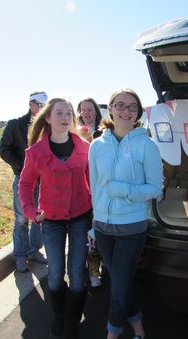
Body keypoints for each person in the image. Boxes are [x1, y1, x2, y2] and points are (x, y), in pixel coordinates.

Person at [88, 88, 163, 339]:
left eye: (132, 107)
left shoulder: (147, 145)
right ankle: (140, 331)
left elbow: (155, 188)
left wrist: (123, 190)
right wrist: (93, 221)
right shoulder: (97, 145)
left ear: (139, 112)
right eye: (120, 105)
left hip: (131, 227)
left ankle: (112, 334)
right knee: (122, 284)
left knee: (118, 286)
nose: (126, 111)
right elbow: (95, 185)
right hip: (102, 228)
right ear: (109, 109)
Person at [19, 97, 92, 339]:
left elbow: (93, 181)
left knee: (78, 275)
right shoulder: (36, 152)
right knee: (55, 273)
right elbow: (26, 184)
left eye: (68, 113)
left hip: (81, 216)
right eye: (58, 113)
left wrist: (98, 213)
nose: (64, 117)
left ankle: (72, 321)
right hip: (50, 219)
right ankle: (59, 316)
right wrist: (31, 212)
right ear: (48, 118)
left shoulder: (85, 147)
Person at [0, 91, 48, 273]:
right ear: (31, 104)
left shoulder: (47, 126)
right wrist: (21, 167)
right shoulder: (15, 125)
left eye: (45, 105)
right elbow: (3, 148)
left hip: (43, 181)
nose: (43, 108)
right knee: (21, 220)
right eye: (40, 104)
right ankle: (20, 256)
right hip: (23, 180)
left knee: (39, 218)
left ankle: (34, 251)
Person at [76, 97, 105, 288]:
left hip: (101, 188)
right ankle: (93, 270)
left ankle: (104, 264)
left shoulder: (104, 132)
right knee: (87, 234)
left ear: (96, 111)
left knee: (100, 230)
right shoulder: (74, 132)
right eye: (82, 110)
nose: (86, 113)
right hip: (81, 187)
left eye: (89, 109)